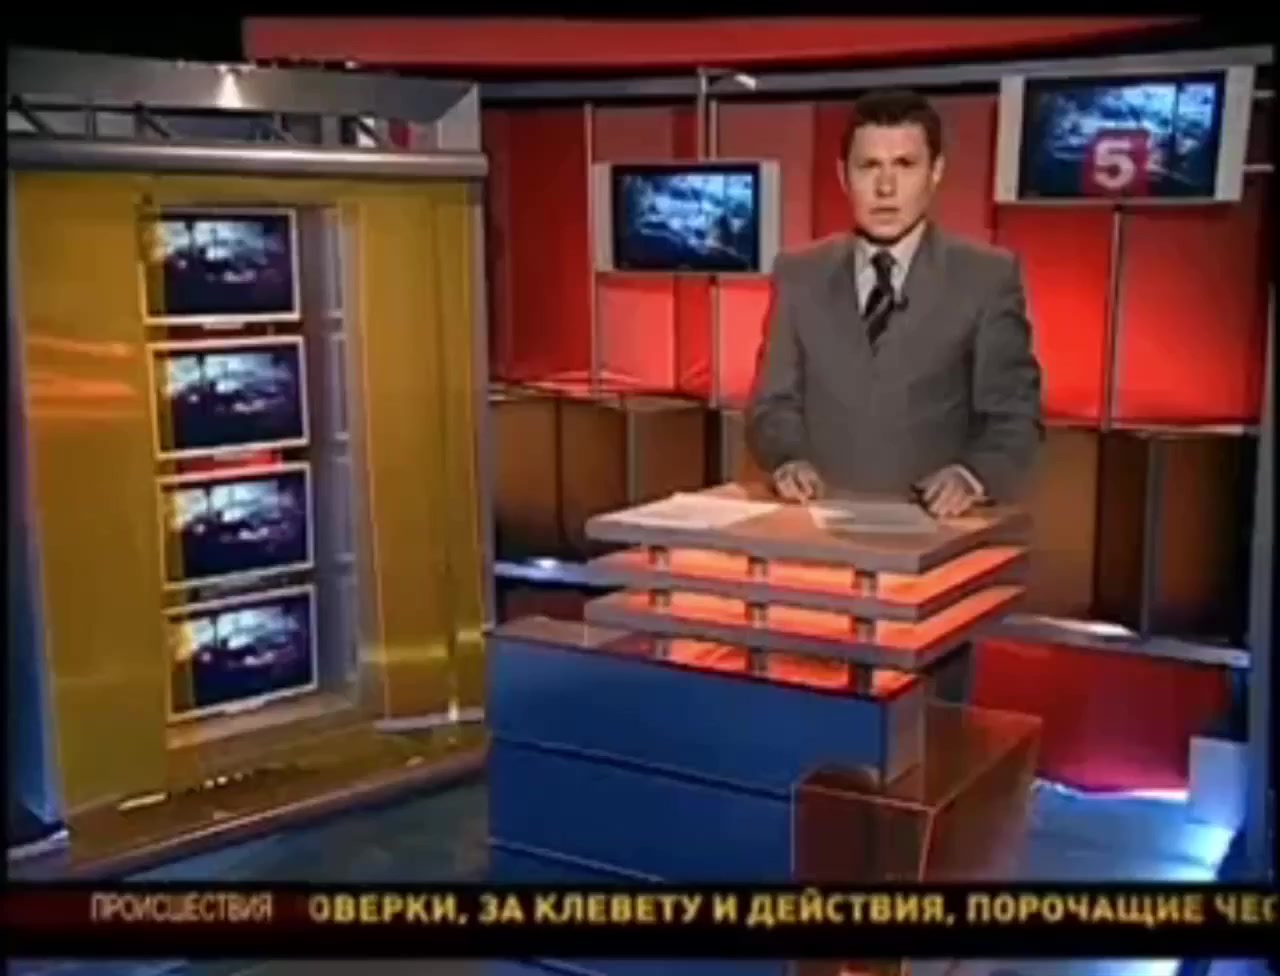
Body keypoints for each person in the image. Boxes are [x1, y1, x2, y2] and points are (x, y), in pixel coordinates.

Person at [746, 89, 1043, 518]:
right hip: (815, 524)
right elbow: (773, 405)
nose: (885, 188)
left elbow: (1014, 417)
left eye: (905, 165)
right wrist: (787, 459)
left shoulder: (985, 276)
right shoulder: (799, 273)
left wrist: (971, 475)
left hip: (937, 529)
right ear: (843, 175)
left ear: (935, 171)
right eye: (869, 166)